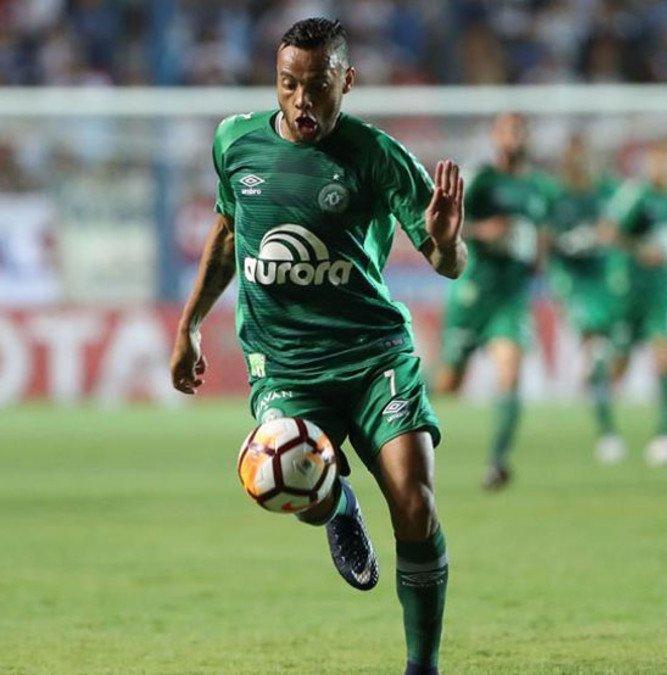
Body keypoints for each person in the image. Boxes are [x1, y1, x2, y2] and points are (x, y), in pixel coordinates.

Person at [168, 18, 465, 675]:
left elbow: (447, 263)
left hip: (373, 354)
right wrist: (189, 324)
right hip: (286, 367)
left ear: (347, 82)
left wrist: (444, 239)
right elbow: (224, 234)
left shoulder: (377, 155)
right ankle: (338, 505)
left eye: (319, 85)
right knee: (291, 484)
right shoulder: (235, 143)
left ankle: (423, 665)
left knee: (415, 503)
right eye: (288, 84)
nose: (302, 99)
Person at [434, 112, 550, 490]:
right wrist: (483, 230)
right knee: (449, 383)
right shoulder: (482, 177)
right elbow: (444, 221)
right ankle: (392, 393)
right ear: (496, 137)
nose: (514, 138)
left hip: (511, 296)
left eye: (520, 130)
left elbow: (540, 231)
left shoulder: (538, 187)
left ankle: (497, 462)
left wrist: (538, 257)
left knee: (510, 371)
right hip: (474, 292)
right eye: (507, 131)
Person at [607, 139, 667, 466]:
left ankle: (664, 435)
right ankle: (606, 428)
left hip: (662, 292)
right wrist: (639, 249)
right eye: (656, 161)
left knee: (666, 360)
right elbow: (608, 232)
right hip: (630, 290)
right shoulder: (636, 195)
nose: (661, 168)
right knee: (618, 365)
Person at [543, 133, 626, 462]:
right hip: (572, 280)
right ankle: (608, 433)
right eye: (572, 158)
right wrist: (566, 243)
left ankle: (590, 378)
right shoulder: (555, 196)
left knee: (609, 353)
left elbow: (615, 228)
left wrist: (600, 236)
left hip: (603, 278)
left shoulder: (606, 191)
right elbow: (545, 238)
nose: (578, 164)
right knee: (596, 348)